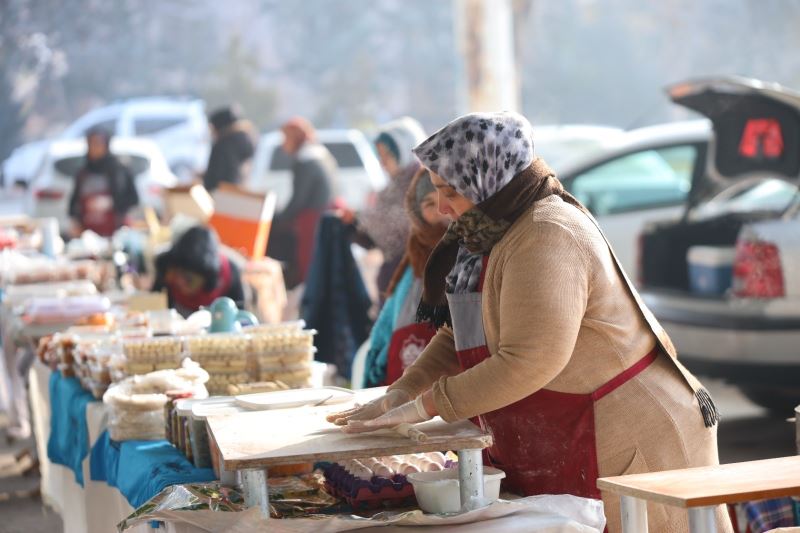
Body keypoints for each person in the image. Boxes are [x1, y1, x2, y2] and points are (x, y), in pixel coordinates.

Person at [330, 112, 733, 533]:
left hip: (632, 437)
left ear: (488, 176)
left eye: (452, 191)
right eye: (436, 191)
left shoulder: (547, 233)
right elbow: (459, 333)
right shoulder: (487, 230)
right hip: (569, 432)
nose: (444, 208)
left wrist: (428, 406)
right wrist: (403, 392)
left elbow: (529, 360)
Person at [361, 168, 449, 387]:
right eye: (429, 204)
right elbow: (386, 326)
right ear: (417, 212)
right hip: (402, 383)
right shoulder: (412, 261)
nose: (440, 211)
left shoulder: (471, 254)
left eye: (446, 199)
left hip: (452, 389)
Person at [341, 117, 428, 297]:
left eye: (387, 155)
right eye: (380, 156)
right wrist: (355, 226)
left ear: (403, 150)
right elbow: (377, 237)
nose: (382, 163)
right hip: (393, 277)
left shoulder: (423, 183)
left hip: (415, 279)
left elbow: (406, 224)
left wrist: (361, 218)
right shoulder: (392, 188)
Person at [268, 117, 337, 288]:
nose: (283, 144)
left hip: (312, 220)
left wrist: (278, 219)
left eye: (286, 138)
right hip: (324, 216)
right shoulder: (319, 155)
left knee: (308, 266)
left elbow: (298, 201)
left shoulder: (305, 161)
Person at [152, 225, 245, 317]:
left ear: (206, 278)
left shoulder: (230, 275)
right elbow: (152, 304)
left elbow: (239, 316)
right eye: (177, 274)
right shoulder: (168, 267)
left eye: (188, 279)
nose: (180, 282)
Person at [68, 127, 138, 237]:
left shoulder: (119, 169)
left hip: (115, 232)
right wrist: (77, 222)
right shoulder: (83, 173)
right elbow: (73, 205)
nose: (95, 148)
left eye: (98, 144)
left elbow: (133, 199)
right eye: (92, 144)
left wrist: (111, 203)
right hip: (89, 234)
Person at [202, 105, 256, 192]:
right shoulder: (244, 139)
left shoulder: (223, 144)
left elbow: (218, 173)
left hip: (220, 192)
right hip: (237, 190)